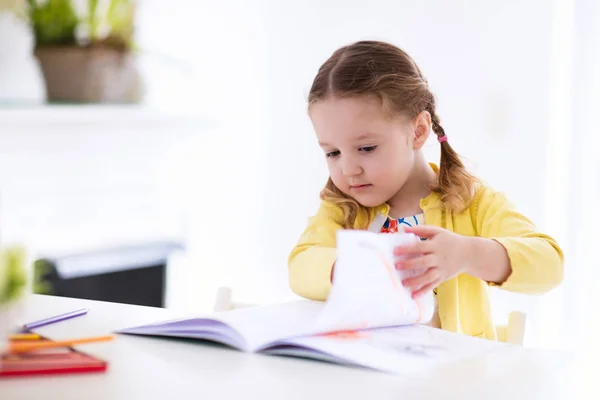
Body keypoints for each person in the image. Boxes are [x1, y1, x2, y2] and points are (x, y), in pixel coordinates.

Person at [287, 40, 564, 339]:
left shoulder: (468, 201)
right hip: (364, 374)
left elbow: (549, 264)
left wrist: (468, 254)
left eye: (366, 148)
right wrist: (344, 268)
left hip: (451, 379)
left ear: (418, 131)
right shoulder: (343, 206)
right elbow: (300, 265)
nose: (348, 169)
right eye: (333, 153)